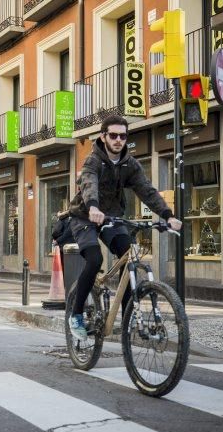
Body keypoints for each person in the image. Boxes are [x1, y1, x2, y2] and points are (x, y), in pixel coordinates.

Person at [65, 116, 182, 341]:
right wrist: (93, 208)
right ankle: (76, 314)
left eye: (123, 136)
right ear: (103, 136)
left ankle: (127, 312)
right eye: (113, 135)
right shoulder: (93, 161)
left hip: (112, 217)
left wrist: (168, 215)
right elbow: (89, 184)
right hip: (85, 216)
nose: (119, 140)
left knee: (129, 253)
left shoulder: (129, 163)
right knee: (94, 259)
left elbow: (147, 191)